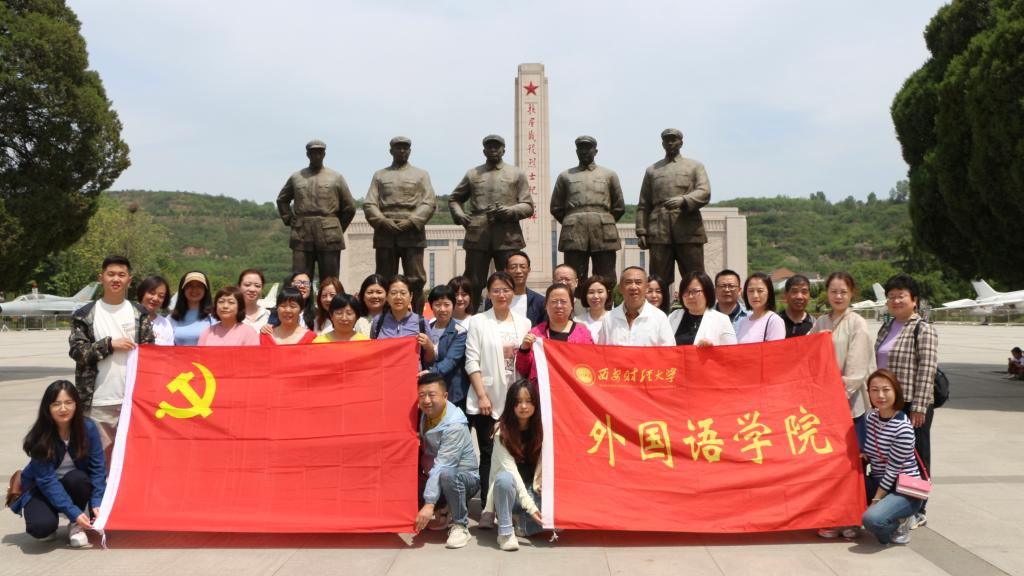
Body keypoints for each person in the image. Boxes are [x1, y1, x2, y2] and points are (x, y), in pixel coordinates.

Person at [68, 255, 154, 461]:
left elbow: (151, 353)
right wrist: (109, 345)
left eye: (121, 275)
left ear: (129, 280)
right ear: (101, 278)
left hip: (133, 401)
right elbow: (77, 352)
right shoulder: (85, 314)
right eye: (111, 274)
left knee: (132, 459)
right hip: (98, 401)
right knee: (97, 461)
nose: (116, 279)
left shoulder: (139, 313)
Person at [811, 272, 874, 540]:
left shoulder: (857, 323)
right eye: (834, 291)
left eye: (843, 292)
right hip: (824, 407)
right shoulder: (821, 322)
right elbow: (807, 353)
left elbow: (857, 371)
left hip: (850, 407)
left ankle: (852, 518)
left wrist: (833, 395)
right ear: (827, 293)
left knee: (852, 465)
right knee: (829, 464)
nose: (838, 296)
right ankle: (830, 515)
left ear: (852, 293)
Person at [875, 273, 938, 530]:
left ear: (914, 300)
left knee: (917, 457)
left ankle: (919, 507)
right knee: (894, 456)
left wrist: (920, 407)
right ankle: (899, 501)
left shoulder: (923, 328)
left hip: (913, 403)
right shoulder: (887, 327)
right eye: (891, 296)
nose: (896, 300)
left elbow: (928, 369)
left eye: (901, 296)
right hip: (888, 404)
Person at [9, 381, 105, 547]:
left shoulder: (88, 428)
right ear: (48, 407)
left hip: (74, 484)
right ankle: (62, 517)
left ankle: (75, 525)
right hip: (42, 488)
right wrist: (73, 512)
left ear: (76, 404)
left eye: (68, 402)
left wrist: (96, 502)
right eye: (56, 404)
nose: (63, 409)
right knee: (41, 529)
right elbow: (47, 481)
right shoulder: (40, 436)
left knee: (79, 478)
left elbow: (98, 468)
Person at [465, 271, 532, 506]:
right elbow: (471, 360)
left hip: (516, 400)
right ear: (488, 293)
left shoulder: (524, 323)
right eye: (496, 290)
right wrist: (482, 395)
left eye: (506, 289)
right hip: (487, 399)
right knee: (488, 453)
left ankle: (512, 504)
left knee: (515, 452)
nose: (501, 294)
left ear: (513, 292)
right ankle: (487, 506)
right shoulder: (478, 321)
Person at [448, 134, 534, 301]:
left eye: (497, 146)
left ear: (503, 150)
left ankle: (514, 316)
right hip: (478, 234)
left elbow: (528, 206)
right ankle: (470, 319)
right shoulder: (473, 174)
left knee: (510, 280)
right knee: (473, 281)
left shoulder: (516, 174)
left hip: (508, 235)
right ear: (484, 150)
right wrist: (459, 214)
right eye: (489, 147)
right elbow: (454, 199)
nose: (493, 150)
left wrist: (510, 211)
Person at [363, 136, 436, 313]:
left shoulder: (421, 174)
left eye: (405, 148)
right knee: (384, 279)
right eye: (398, 148)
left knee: (416, 279)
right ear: (391, 151)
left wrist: (411, 221)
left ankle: (418, 318)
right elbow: (369, 203)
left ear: (410, 151)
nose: (402, 151)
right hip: (385, 233)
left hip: (412, 232)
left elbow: (429, 202)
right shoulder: (380, 175)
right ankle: (384, 317)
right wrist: (382, 221)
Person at [636, 128, 711, 289]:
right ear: (662, 143)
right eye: (667, 140)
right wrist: (641, 231)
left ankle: (699, 312)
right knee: (658, 279)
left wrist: (684, 200)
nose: (670, 143)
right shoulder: (652, 170)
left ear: (681, 143)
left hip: (688, 228)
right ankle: (658, 313)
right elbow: (644, 204)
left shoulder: (695, 166)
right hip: (659, 229)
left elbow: (704, 191)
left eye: (674, 140)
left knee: (695, 277)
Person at [276, 139, 357, 282]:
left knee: (330, 280)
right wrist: (288, 218)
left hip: (329, 232)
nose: (317, 155)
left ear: (324, 154)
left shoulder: (336, 177)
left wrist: (337, 228)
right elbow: (282, 199)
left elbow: (349, 207)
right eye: (313, 152)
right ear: (307, 154)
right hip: (302, 232)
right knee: (300, 279)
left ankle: (332, 305)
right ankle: (302, 305)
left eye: (320, 152)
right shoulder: (296, 177)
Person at [550, 135, 625, 289]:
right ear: (576, 151)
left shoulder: (609, 175)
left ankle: (606, 309)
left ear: (595, 151)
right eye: (581, 148)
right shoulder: (565, 176)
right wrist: (573, 221)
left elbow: (619, 206)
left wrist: (602, 221)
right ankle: (576, 310)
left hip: (604, 233)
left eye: (588, 148)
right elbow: (556, 207)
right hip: (574, 234)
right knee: (574, 275)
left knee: (606, 276)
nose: (584, 151)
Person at [414, 373, 480, 549]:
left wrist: (428, 503)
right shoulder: (422, 414)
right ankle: (443, 508)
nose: (426, 400)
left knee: (447, 474)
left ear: (445, 396)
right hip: (432, 477)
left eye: (432, 395)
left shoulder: (454, 425)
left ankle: (460, 525)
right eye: (422, 395)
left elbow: (443, 465)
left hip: (463, 479)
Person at [860, 369, 924, 545]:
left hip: (903, 490)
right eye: (874, 390)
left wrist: (874, 502)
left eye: (886, 390)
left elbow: (892, 471)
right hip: (878, 481)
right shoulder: (871, 418)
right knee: (845, 481)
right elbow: (872, 450)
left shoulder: (903, 428)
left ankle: (901, 522)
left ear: (896, 392)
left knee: (871, 520)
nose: (880, 395)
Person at [482, 380, 544, 551]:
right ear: (511, 404)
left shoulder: (542, 428)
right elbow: (513, 474)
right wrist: (532, 509)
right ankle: (506, 532)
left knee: (560, 522)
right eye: (518, 401)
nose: (523, 406)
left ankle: (520, 524)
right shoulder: (501, 431)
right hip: (509, 494)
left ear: (536, 403)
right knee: (504, 478)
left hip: (533, 490)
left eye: (528, 401)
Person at [516, 283, 594, 383]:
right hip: (543, 394)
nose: (559, 306)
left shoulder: (583, 334)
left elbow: (591, 366)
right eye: (554, 301)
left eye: (563, 301)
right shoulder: (535, 334)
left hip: (573, 393)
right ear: (546, 305)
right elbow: (523, 370)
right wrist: (524, 350)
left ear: (571, 306)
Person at [598, 266, 674, 346]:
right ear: (620, 288)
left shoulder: (660, 318)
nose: (633, 287)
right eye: (628, 282)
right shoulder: (609, 318)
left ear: (647, 288)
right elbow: (601, 352)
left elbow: (668, 353)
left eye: (638, 282)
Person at [369, 274, 435, 366]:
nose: (398, 297)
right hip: (385, 377)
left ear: (411, 296)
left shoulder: (422, 322)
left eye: (403, 293)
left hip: (413, 377)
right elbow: (373, 354)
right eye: (393, 293)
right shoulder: (378, 321)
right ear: (387, 297)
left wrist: (428, 345)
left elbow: (430, 361)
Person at [425, 285, 469, 410]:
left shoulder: (459, 332)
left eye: (446, 304)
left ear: (453, 306)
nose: (442, 309)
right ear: (431, 306)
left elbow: (451, 361)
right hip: (428, 392)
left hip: (452, 393)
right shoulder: (426, 327)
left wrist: (430, 372)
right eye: (437, 304)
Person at [668, 271, 736, 346]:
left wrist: (712, 349)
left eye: (695, 291)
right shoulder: (673, 316)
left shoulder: (722, 320)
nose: (690, 296)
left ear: (707, 292)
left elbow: (731, 353)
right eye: (686, 291)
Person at [485, 251, 545, 326]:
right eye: (513, 267)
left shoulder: (539, 301)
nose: (518, 271)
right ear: (506, 270)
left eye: (523, 267)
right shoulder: (493, 299)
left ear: (529, 270)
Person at [736, 272, 786, 343]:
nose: (755, 295)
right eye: (751, 291)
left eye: (760, 291)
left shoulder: (774, 321)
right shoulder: (743, 322)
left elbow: (776, 352)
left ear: (769, 293)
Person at [169, 271, 215, 346]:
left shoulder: (214, 317)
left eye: (199, 286)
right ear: (183, 290)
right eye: (190, 285)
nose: (194, 290)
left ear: (205, 290)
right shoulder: (171, 318)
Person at [136, 275, 174, 345]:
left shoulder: (165, 324)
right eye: (152, 293)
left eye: (161, 296)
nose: (155, 298)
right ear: (142, 292)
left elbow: (169, 352)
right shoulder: (128, 316)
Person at [577, 275, 613, 341]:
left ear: (607, 294)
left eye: (600, 292)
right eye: (591, 292)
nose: (596, 296)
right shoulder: (577, 321)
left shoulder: (615, 320)